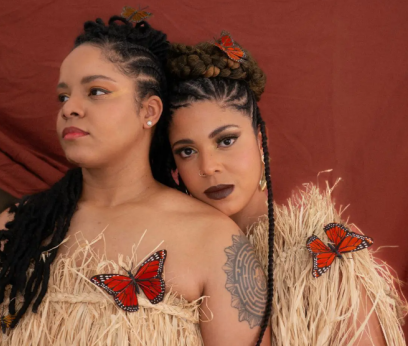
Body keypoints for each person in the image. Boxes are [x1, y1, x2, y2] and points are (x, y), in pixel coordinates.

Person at [0, 17, 271, 346]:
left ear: (149, 110)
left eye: (96, 91)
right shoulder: (16, 227)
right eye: (63, 97)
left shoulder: (213, 240)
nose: (70, 108)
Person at [151, 38, 407, 345]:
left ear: (260, 140)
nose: (209, 166)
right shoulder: (175, 262)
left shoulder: (316, 257)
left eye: (226, 141)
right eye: (187, 151)